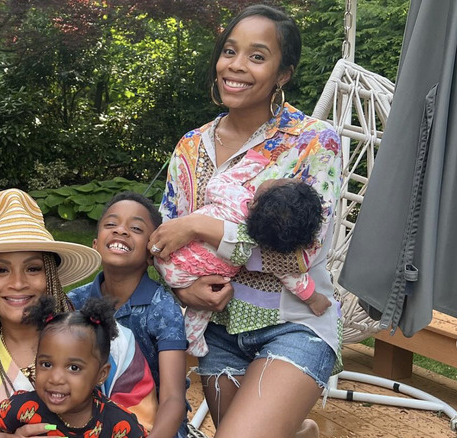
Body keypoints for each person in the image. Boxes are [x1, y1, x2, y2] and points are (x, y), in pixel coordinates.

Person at [147, 5, 343, 438]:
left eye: (257, 56)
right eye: (229, 51)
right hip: (216, 329)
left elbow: (302, 255)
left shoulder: (313, 140)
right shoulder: (191, 145)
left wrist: (201, 227)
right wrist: (181, 288)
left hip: (294, 323)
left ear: (283, 73)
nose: (236, 65)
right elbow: (165, 238)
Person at [0, 188, 157, 438]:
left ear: (50, 274)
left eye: (33, 268)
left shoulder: (113, 343)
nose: (18, 283)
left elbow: (144, 428)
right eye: (0, 270)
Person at [154, 174, 331, 356]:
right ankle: (192, 339)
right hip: (188, 279)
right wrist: (313, 299)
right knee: (204, 305)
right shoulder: (263, 245)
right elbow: (294, 279)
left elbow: (215, 185)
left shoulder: (237, 201)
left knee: (207, 297)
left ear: (254, 203)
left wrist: (249, 167)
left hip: (166, 254)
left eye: (275, 181)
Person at [68, 192, 188, 438]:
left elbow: (173, 398)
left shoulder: (162, 308)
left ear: (151, 254)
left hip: (152, 425)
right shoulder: (74, 303)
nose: (120, 231)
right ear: (95, 245)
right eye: (111, 224)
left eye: (135, 228)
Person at [0, 295, 147, 438]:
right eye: (46, 364)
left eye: (74, 368)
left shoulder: (118, 423)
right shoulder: (26, 406)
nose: (55, 378)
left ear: (101, 374)